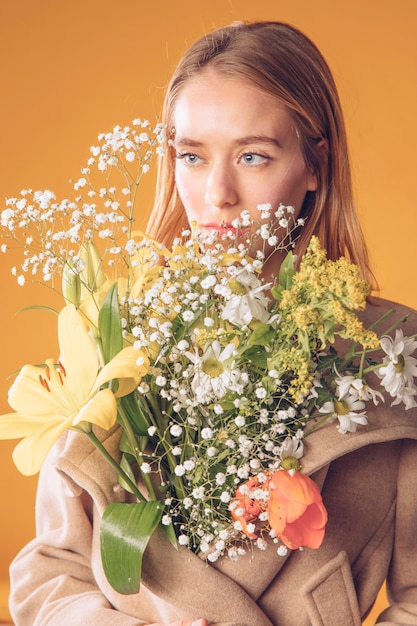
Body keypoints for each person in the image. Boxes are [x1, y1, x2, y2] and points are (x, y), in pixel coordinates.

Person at [8, 20, 417, 626]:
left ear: (315, 166)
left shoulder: (391, 353)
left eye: (253, 156)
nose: (218, 193)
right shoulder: (119, 341)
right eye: (192, 157)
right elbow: (50, 574)